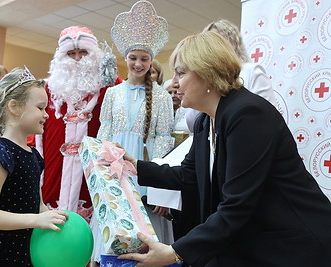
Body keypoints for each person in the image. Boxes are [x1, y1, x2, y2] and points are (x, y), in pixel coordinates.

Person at [118, 31, 331, 267]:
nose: (174, 82)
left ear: (207, 73)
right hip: (255, 242)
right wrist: (134, 165)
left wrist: (175, 252)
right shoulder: (205, 121)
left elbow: (238, 203)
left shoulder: (248, 115)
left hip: (294, 244)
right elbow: (188, 175)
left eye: (181, 73)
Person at [95, 0, 174, 262]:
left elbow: (164, 140)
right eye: (133, 58)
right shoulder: (112, 93)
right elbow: (103, 136)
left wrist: (160, 188)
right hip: (115, 172)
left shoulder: (161, 97)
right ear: (125, 58)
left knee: (145, 236)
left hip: (144, 170)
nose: (138, 64)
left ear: (151, 60)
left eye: (144, 58)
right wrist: (102, 172)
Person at [0, 67, 68, 266]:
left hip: (25, 246)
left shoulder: (34, 156)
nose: (46, 115)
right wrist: (35, 220)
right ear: (15, 107)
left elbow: (37, 204)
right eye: (40, 108)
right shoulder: (1, 155)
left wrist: (49, 215)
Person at [34, 26, 121, 223]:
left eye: (83, 52)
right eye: (71, 53)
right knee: (52, 206)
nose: (77, 58)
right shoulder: (50, 86)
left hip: (93, 161)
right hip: (54, 157)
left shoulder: (110, 83)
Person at [186, 19, 277, 132]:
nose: (212, 48)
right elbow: (192, 124)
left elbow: (270, 115)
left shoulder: (251, 71)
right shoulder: (203, 79)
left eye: (218, 41)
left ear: (234, 44)